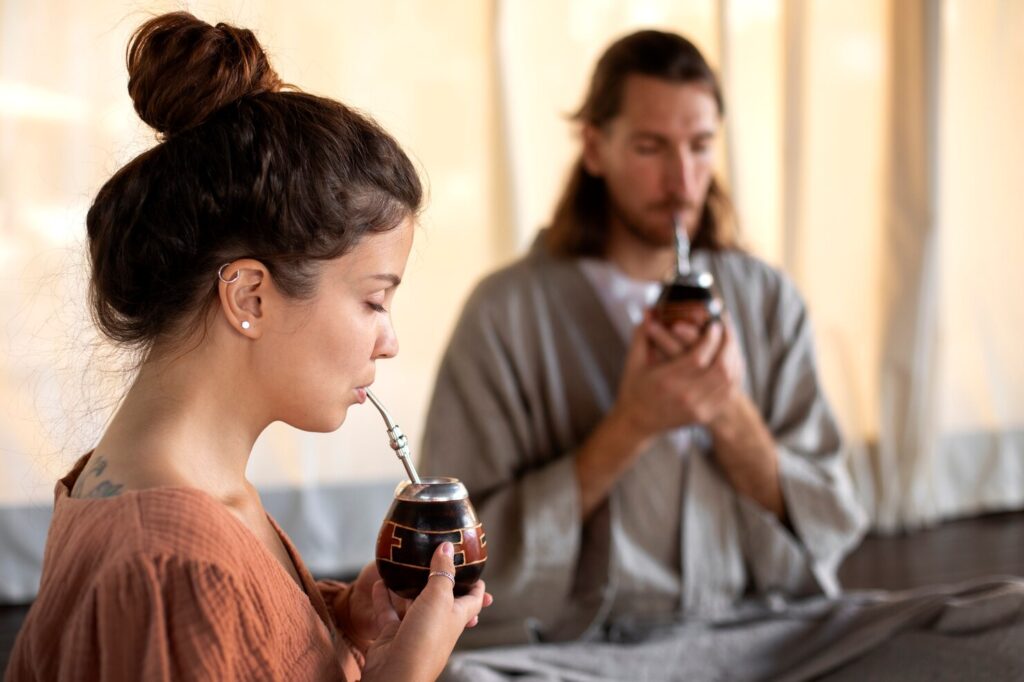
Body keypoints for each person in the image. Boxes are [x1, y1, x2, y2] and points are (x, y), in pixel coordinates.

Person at [421, 30, 1024, 682]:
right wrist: (632, 425)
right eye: (651, 148)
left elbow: (832, 523)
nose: (682, 180)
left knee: (1008, 621)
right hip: (597, 653)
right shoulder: (505, 312)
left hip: (769, 635)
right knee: (468, 681)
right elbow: (460, 557)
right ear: (595, 148)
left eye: (701, 147)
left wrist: (730, 412)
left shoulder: (765, 298)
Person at [7, 12, 489, 682]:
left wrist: (341, 621)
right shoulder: (173, 566)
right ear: (250, 298)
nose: (390, 340)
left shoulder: (185, 495)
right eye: (374, 299)